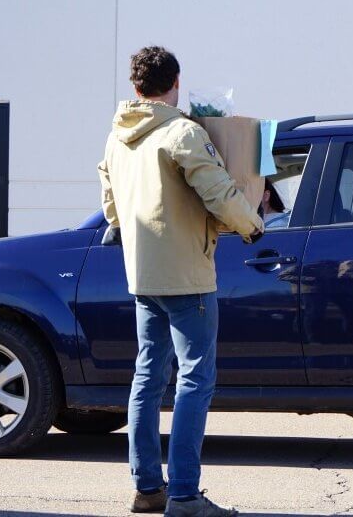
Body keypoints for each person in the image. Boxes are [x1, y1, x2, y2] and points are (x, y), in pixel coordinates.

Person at [97, 46, 263, 517]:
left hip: (143, 276)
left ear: (136, 87)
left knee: (147, 378)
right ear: (176, 83)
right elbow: (218, 191)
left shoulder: (117, 138)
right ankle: (185, 495)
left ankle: (148, 488)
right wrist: (252, 224)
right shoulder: (182, 132)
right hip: (188, 274)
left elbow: (112, 210)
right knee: (194, 379)